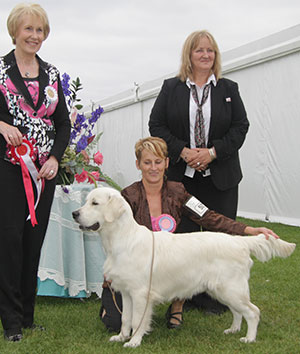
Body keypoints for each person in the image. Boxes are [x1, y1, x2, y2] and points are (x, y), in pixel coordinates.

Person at [100, 137, 278, 331]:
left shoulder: (178, 191)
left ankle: (177, 306)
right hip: (134, 269)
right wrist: (111, 270)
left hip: (170, 265)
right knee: (113, 324)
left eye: (158, 162)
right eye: (147, 162)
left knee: (184, 261)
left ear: (166, 163)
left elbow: (208, 216)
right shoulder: (128, 196)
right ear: (138, 164)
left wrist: (249, 230)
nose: (153, 168)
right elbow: (113, 236)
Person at [149, 30, 249, 314]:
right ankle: (187, 296)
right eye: (199, 50)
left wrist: (212, 152)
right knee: (187, 241)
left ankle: (218, 299)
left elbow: (241, 127)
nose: (206, 55)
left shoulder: (229, 89)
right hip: (184, 181)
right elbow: (156, 125)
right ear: (189, 55)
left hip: (221, 178)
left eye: (211, 51)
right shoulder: (172, 88)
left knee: (221, 241)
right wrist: (183, 151)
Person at [0, 3, 70, 342]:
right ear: (15, 31)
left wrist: (55, 158)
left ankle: (27, 317)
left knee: (33, 245)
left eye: (40, 30)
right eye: (28, 29)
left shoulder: (53, 74)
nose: (34, 36)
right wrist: (0, 124)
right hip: (9, 171)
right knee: (10, 244)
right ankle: (11, 322)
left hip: (43, 175)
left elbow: (63, 124)